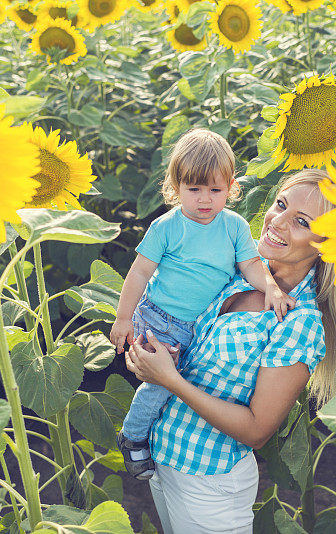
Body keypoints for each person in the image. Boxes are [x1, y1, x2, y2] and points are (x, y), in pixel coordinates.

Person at [124, 169, 336, 533]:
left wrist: (168, 378)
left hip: (209, 482)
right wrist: (148, 357)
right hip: (162, 456)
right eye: (280, 205)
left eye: (301, 222)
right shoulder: (235, 269)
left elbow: (256, 430)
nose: (276, 222)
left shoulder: (300, 323)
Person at [110, 128, 296, 481]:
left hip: (202, 324)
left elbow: (251, 265)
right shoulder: (167, 226)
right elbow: (138, 273)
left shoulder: (235, 226)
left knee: (189, 383)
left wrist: (271, 288)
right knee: (163, 382)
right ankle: (133, 436)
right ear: (176, 187)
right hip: (160, 318)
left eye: (215, 190)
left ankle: (165, 437)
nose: (205, 199)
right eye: (193, 189)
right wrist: (123, 320)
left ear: (231, 187)